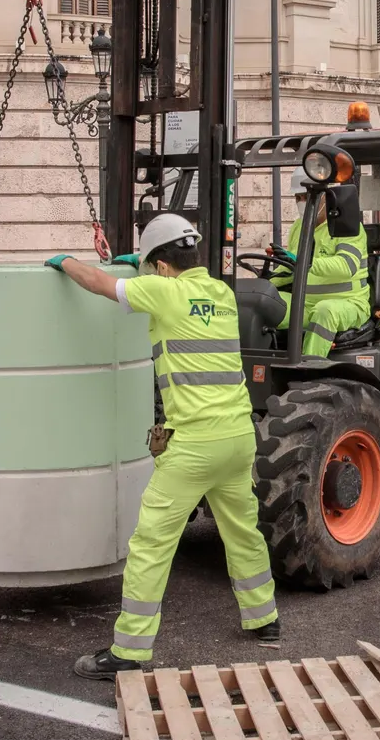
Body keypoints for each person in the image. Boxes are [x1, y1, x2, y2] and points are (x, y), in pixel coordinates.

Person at [48, 214, 279, 680]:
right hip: (237, 437)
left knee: (152, 543)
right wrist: (146, 267)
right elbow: (180, 297)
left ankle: (129, 650)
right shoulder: (221, 294)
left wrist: (65, 261)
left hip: (193, 445)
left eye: (152, 267)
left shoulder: (163, 291)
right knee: (243, 532)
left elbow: (96, 282)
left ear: (161, 266)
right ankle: (264, 620)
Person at [269, 182, 369, 357]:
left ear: (327, 197)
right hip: (304, 303)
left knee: (325, 311)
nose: (301, 202)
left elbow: (346, 266)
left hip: (348, 303)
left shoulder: (348, 227)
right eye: (297, 197)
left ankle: (308, 371)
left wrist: (305, 263)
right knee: (262, 303)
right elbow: (291, 268)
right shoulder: (299, 227)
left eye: (306, 196)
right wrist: (264, 285)